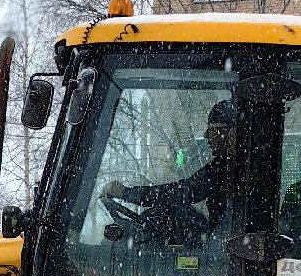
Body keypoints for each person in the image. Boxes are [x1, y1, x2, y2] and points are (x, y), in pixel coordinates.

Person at [101, 98, 237, 245]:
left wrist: (126, 193)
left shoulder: (229, 169)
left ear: (231, 132)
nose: (206, 136)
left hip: (226, 246)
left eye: (212, 129)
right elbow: (181, 191)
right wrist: (128, 194)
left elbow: (182, 191)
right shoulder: (223, 166)